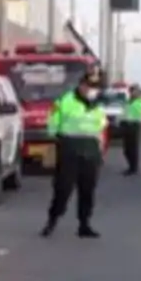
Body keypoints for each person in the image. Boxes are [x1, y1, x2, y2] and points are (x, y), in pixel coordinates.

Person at [40, 68, 106, 238]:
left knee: (88, 189)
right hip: (69, 145)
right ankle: (52, 220)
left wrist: (100, 147)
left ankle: (84, 224)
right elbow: (53, 122)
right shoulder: (64, 101)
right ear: (81, 85)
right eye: (90, 86)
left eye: (96, 87)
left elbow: (102, 126)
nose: (92, 90)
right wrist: (56, 138)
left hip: (91, 148)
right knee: (63, 188)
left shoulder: (97, 104)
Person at [120, 84, 141, 175]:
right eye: (131, 91)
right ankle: (131, 166)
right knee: (126, 149)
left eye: (134, 91)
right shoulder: (129, 101)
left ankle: (133, 168)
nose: (132, 93)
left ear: (138, 91)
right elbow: (124, 112)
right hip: (126, 125)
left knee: (133, 148)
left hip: (135, 125)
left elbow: (140, 112)